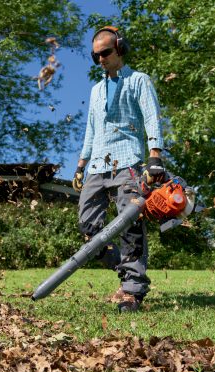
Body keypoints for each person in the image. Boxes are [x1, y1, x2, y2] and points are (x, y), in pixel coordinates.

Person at [72, 26, 166, 313]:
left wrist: (155, 157)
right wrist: (80, 165)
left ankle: (132, 290)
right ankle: (125, 268)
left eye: (105, 52)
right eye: (95, 55)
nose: (100, 58)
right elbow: (91, 130)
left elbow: (152, 119)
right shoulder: (97, 90)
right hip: (98, 166)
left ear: (120, 49)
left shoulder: (139, 81)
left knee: (129, 226)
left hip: (129, 163)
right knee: (88, 227)